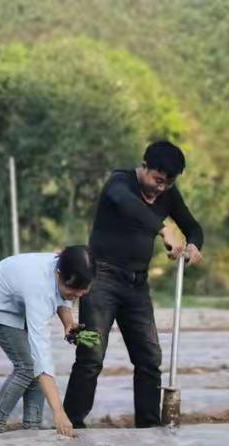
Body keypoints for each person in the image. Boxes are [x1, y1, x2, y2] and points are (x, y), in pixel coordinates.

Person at [62, 140, 203, 429]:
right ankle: (70, 423)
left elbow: (193, 226)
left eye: (168, 183)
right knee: (90, 354)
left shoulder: (168, 195)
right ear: (144, 167)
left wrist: (194, 245)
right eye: (157, 179)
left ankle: (149, 426)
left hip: (137, 285)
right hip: (99, 281)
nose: (161, 188)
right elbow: (128, 206)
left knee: (150, 358)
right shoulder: (119, 183)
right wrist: (163, 229)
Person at [0, 245, 95, 437]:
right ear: (58, 274)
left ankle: (31, 431)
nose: (77, 295)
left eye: (82, 291)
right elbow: (41, 355)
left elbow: (63, 296)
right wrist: (58, 412)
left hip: (21, 300)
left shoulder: (69, 270)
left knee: (35, 369)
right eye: (72, 289)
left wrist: (68, 322)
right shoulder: (38, 287)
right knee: (27, 367)